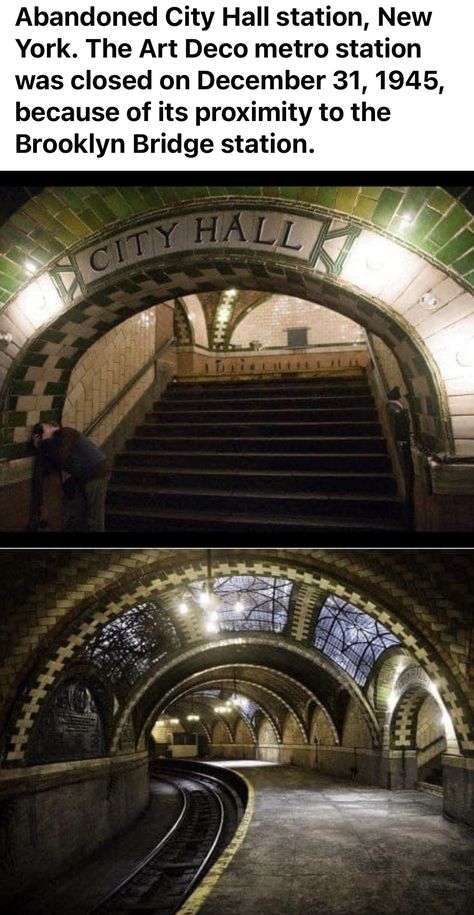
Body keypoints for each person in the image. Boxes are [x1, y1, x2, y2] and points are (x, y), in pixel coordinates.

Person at [31, 421, 111, 531]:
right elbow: (50, 466)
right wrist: (40, 447)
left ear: (51, 426)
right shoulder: (53, 445)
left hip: (96, 472)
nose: (42, 436)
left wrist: (42, 444)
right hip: (85, 476)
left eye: (42, 430)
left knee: (94, 514)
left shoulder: (66, 432)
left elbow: (61, 456)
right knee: (79, 512)